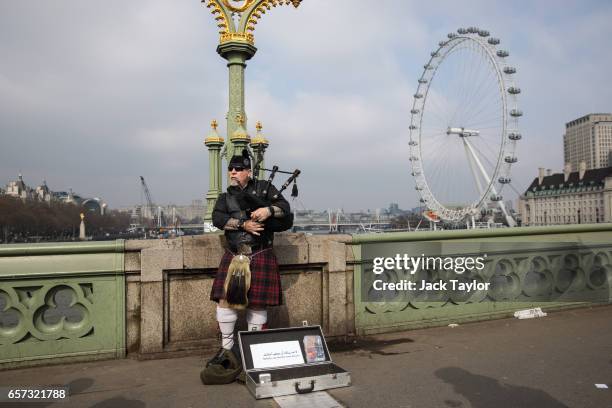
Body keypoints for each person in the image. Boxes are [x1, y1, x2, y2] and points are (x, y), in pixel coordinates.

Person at [201, 149, 291, 385]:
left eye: (238, 169)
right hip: (235, 255)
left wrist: (268, 210)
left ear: (249, 172)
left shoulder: (264, 189)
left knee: (257, 304)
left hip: (260, 253)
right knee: (225, 302)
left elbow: (286, 210)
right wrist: (244, 224)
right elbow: (218, 219)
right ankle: (227, 351)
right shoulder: (225, 197)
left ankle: (253, 350)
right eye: (230, 169)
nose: (232, 172)